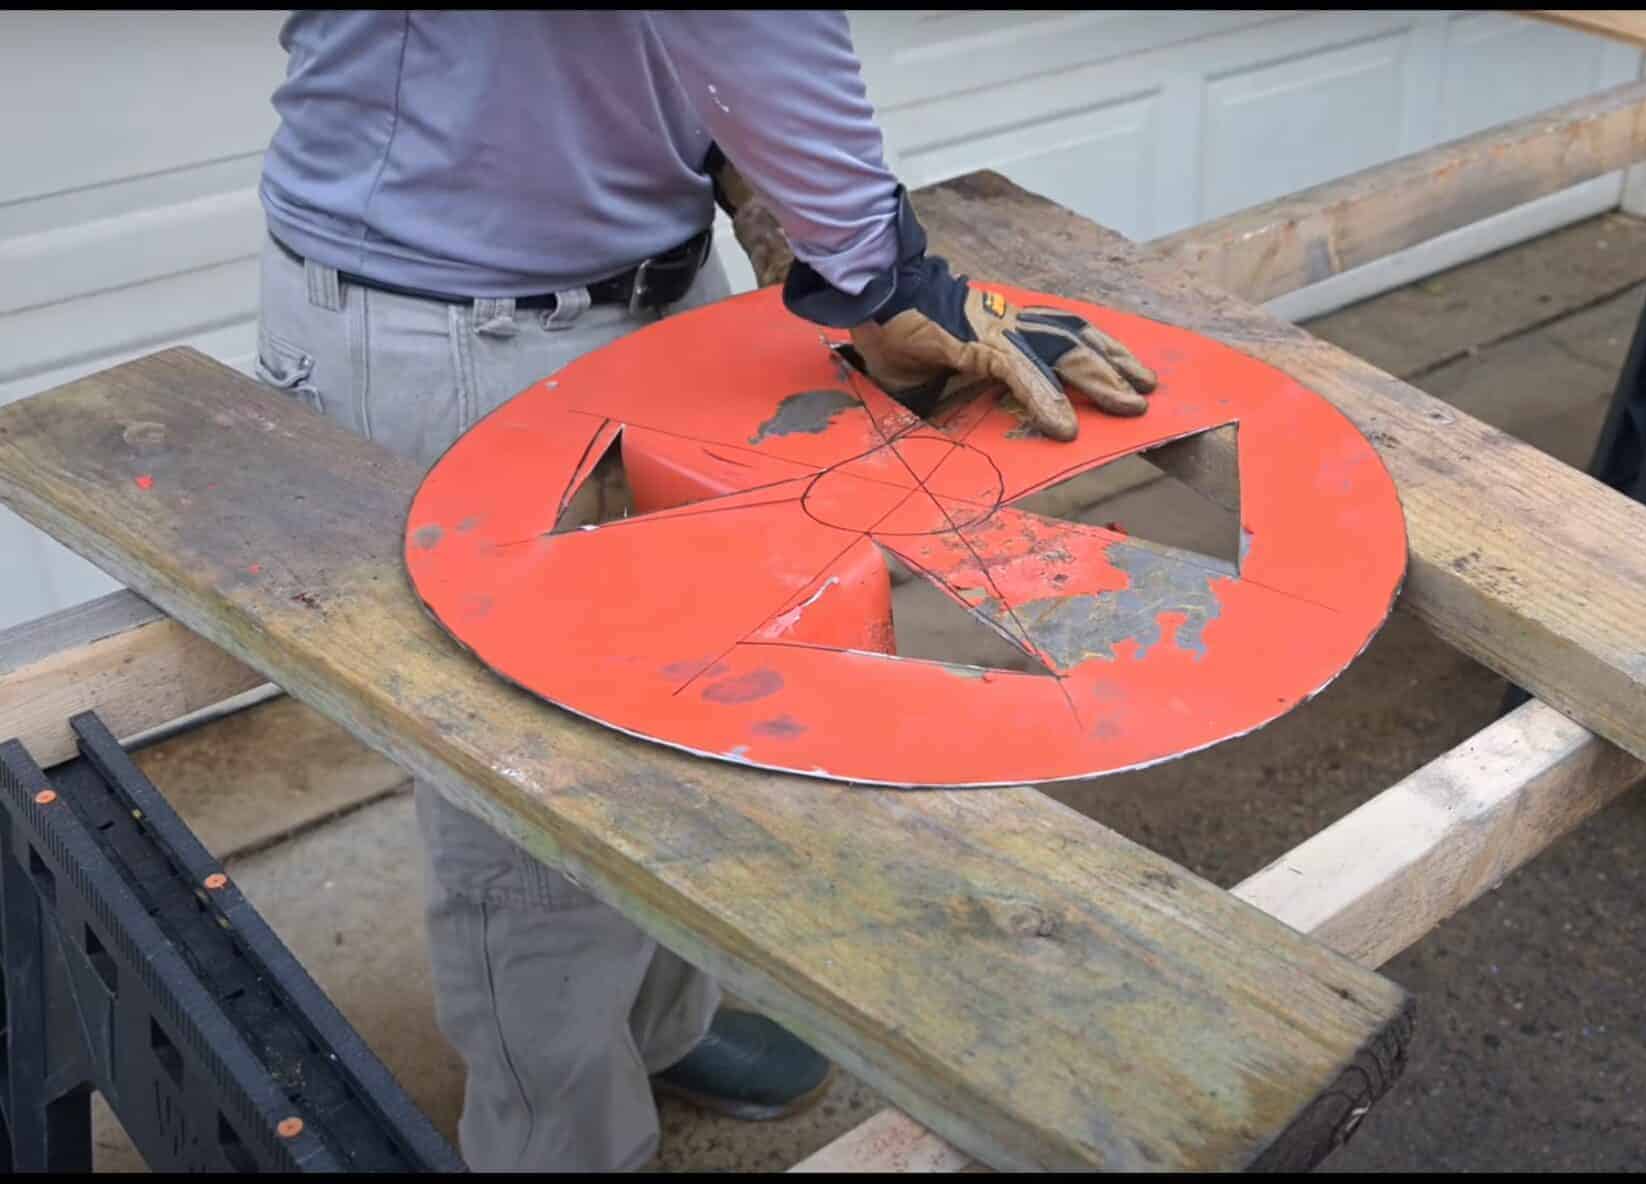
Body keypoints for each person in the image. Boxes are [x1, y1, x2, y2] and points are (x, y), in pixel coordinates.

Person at [251, 10, 1157, 1173]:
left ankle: (659, 1029)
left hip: (647, 280)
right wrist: (887, 275)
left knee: (696, 707)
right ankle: (557, 1146)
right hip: (453, 325)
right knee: (543, 792)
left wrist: (771, 205)